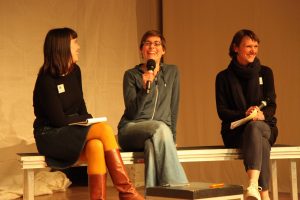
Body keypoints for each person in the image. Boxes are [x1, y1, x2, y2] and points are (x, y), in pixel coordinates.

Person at [33, 27, 144, 200]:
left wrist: (85, 118)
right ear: (63, 47)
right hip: (50, 135)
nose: (78, 47)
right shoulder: (46, 79)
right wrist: (86, 120)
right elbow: (58, 120)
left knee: (96, 147)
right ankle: (127, 192)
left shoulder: (75, 71)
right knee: (104, 129)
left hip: (70, 131)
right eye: (75, 42)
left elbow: (81, 107)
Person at [117, 30, 189, 189]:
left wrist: (172, 138)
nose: (152, 47)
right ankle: (179, 188)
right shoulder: (131, 75)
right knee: (160, 128)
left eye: (157, 44)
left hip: (158, 133)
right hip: (131, 130)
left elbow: (173, 107)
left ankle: (153, 193)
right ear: (141, 49)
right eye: (147, 43)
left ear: (163, 50)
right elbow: (131, 113)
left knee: (152, 145)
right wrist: (144, 89)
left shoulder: (172, 72)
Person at [215, 29, 278, 200]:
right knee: (260, 142)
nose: (253, 50)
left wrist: (261, 115)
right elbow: (222, 111)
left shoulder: (265, 72)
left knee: (256, 127)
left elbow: (271, 105)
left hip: (265, 125)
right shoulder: (223, 77)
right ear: (235, 48)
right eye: (248, 46)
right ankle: (263, 194)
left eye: (256, 46)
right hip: (235, 132)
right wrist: (245, 113)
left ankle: (252, 184)